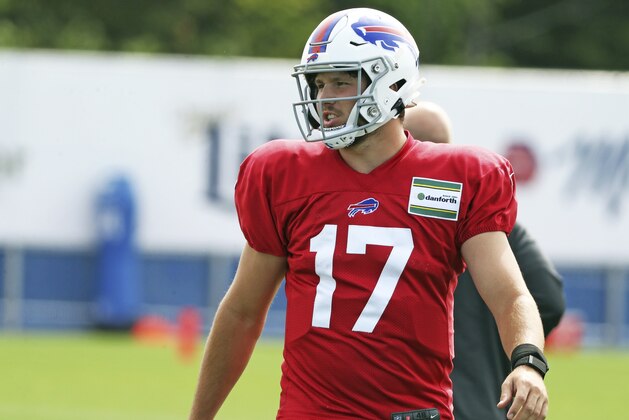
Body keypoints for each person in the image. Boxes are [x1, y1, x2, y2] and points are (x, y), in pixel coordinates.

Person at [189, 8, 550, 420]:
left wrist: (528, 362)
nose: (325, 98)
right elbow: (242, 311)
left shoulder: (458, 178)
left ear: (392, 82)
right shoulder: (283, 174)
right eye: (319, 83)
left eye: (342, 81)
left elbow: (510, 295)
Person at [405, 102, 565, 420]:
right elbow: (548, 298)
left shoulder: (381, 212)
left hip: (412, 402)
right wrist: (507, 336)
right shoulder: (483, 213)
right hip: (487, 399)